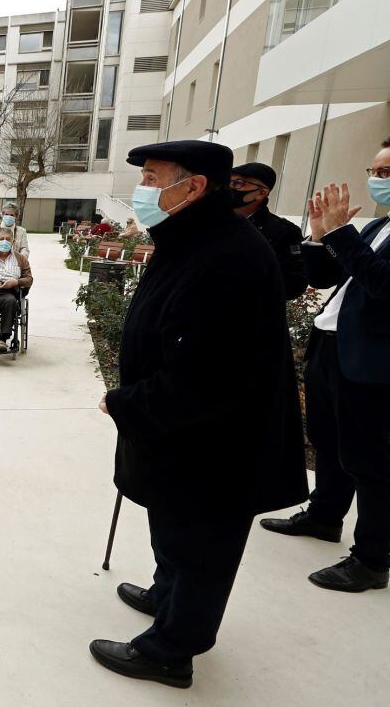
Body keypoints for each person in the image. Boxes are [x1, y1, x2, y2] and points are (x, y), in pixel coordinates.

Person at [90, 140, 308, 688]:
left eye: (152, 178)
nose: (142, 190)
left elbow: (208, 375)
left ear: (193, 187)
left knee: (203, 544)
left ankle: (171, 649)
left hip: (217, 443)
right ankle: (167, 596)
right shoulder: (190, 237)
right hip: (180, 433)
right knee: (173, 523)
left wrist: (125, 403)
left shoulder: (229, 256)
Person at [261, 139, 390, 593]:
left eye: (386, 173)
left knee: (369, 462)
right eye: (374, 170)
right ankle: (324, 516)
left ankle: (372, 559)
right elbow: (326, 278)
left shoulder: (362, 232)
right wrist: (319, 237)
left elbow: (382, 284)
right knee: (328, 439)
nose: (375, 180)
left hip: (373, 363)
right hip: (332, 347)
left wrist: (340, 235)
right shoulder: (378, 227)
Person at [229, 162, 307, 300]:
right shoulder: (208, 222)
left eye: (238, 183)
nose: (229, 188)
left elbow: (294, 284)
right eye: (227, 182)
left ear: (261, 193)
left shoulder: (284, 232)